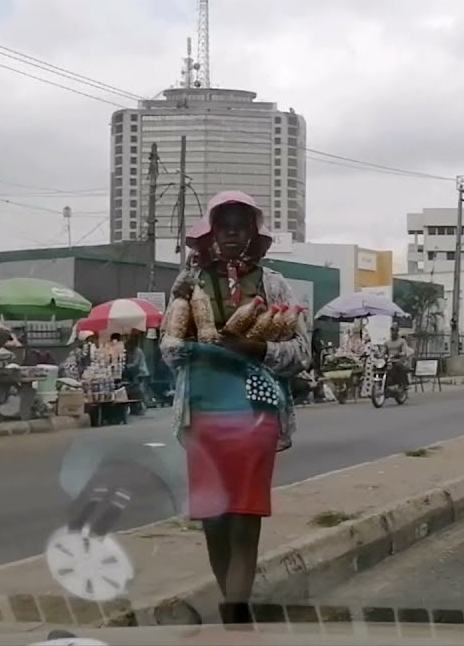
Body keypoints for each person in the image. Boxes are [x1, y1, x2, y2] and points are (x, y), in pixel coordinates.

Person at [160, 190, 310, 626]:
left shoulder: (273, 284)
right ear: (210, 232)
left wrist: (255, 347)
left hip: (255, 412)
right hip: (202, 414)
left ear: (252, 233)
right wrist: (192, 345)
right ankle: (234, 609)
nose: (231, 233)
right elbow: (168, 351)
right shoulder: (189, 283)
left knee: (243, 517)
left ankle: (235, 618)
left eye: (240, 226)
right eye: (223, 225)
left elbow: (301, 351)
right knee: (213, 519)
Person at [384, 325, 414, 390]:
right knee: (380, 367)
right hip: (389, 361)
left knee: (399, 365)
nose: (393, 332)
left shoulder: (402, 341)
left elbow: (404, 351)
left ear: (397, 331)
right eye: (392, 331)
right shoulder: (387, 342)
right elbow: (383, 351)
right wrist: (380, 355)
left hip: (399, 360)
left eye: (394, 331)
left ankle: (404, 384)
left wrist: (399, 354)